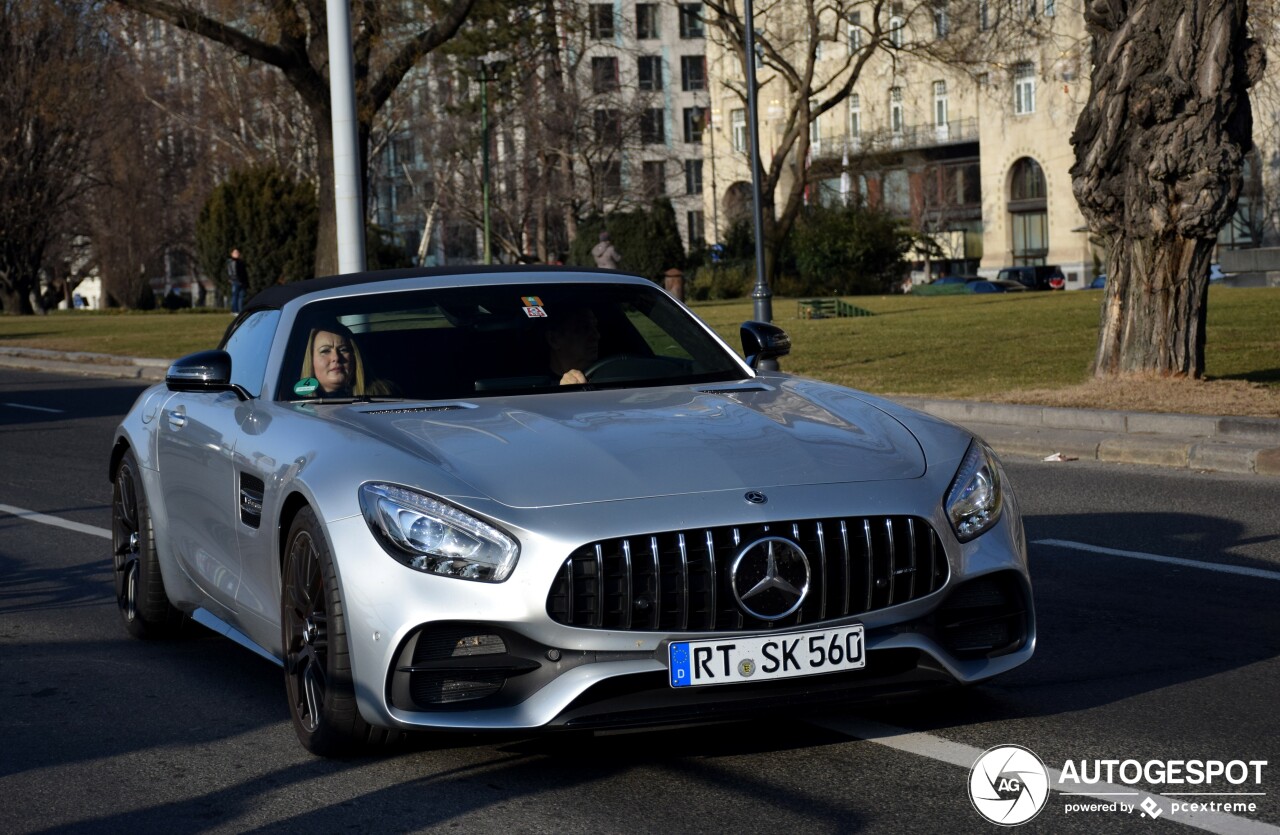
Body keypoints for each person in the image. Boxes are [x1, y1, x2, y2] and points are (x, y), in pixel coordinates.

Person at [299, 321, 392, 397]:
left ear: (354, 356)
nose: (336, 357)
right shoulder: (293, 406)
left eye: (343, 349)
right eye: (325, 351)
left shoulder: (383, 394)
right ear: (311, 360)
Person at [545, 307, 600, 385]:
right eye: (584, 328)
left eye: (595, 327)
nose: (597, 336)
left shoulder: (611, 376)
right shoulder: (534, 387)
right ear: (553, 340)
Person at [226, 248, 248, 314]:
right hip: (236, 281)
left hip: (242, 281)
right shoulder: (231, 262)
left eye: (238, 252)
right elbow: (232, 272)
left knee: (241, 296)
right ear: (232, 254)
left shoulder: (241, 262)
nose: (237, 254)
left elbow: (244, 273)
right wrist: (233, 279)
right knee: (235, 296)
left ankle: (240, 311)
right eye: (235, 253)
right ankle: (234, 310)